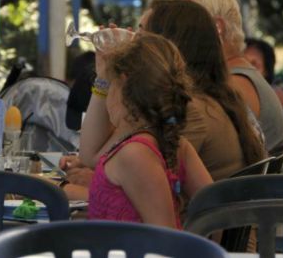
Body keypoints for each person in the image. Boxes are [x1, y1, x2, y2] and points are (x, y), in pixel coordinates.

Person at [86, 33, 212, 227]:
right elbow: (217, 206)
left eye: (109, 84)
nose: (106, 93)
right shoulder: (168, 143)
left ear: (123, 82)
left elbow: (164, 234)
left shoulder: (136, 154)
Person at [144, 0, 265, 180]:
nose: (134, 44)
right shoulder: (215, 98)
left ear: (168, 47)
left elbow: (145, 182)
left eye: (143, 35)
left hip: (200, 200)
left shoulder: (192, 110)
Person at [173, 0, 283, 150]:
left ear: (217, 27)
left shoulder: (231, 85)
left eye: (183, 24)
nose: (174, 35)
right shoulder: (240, 77)